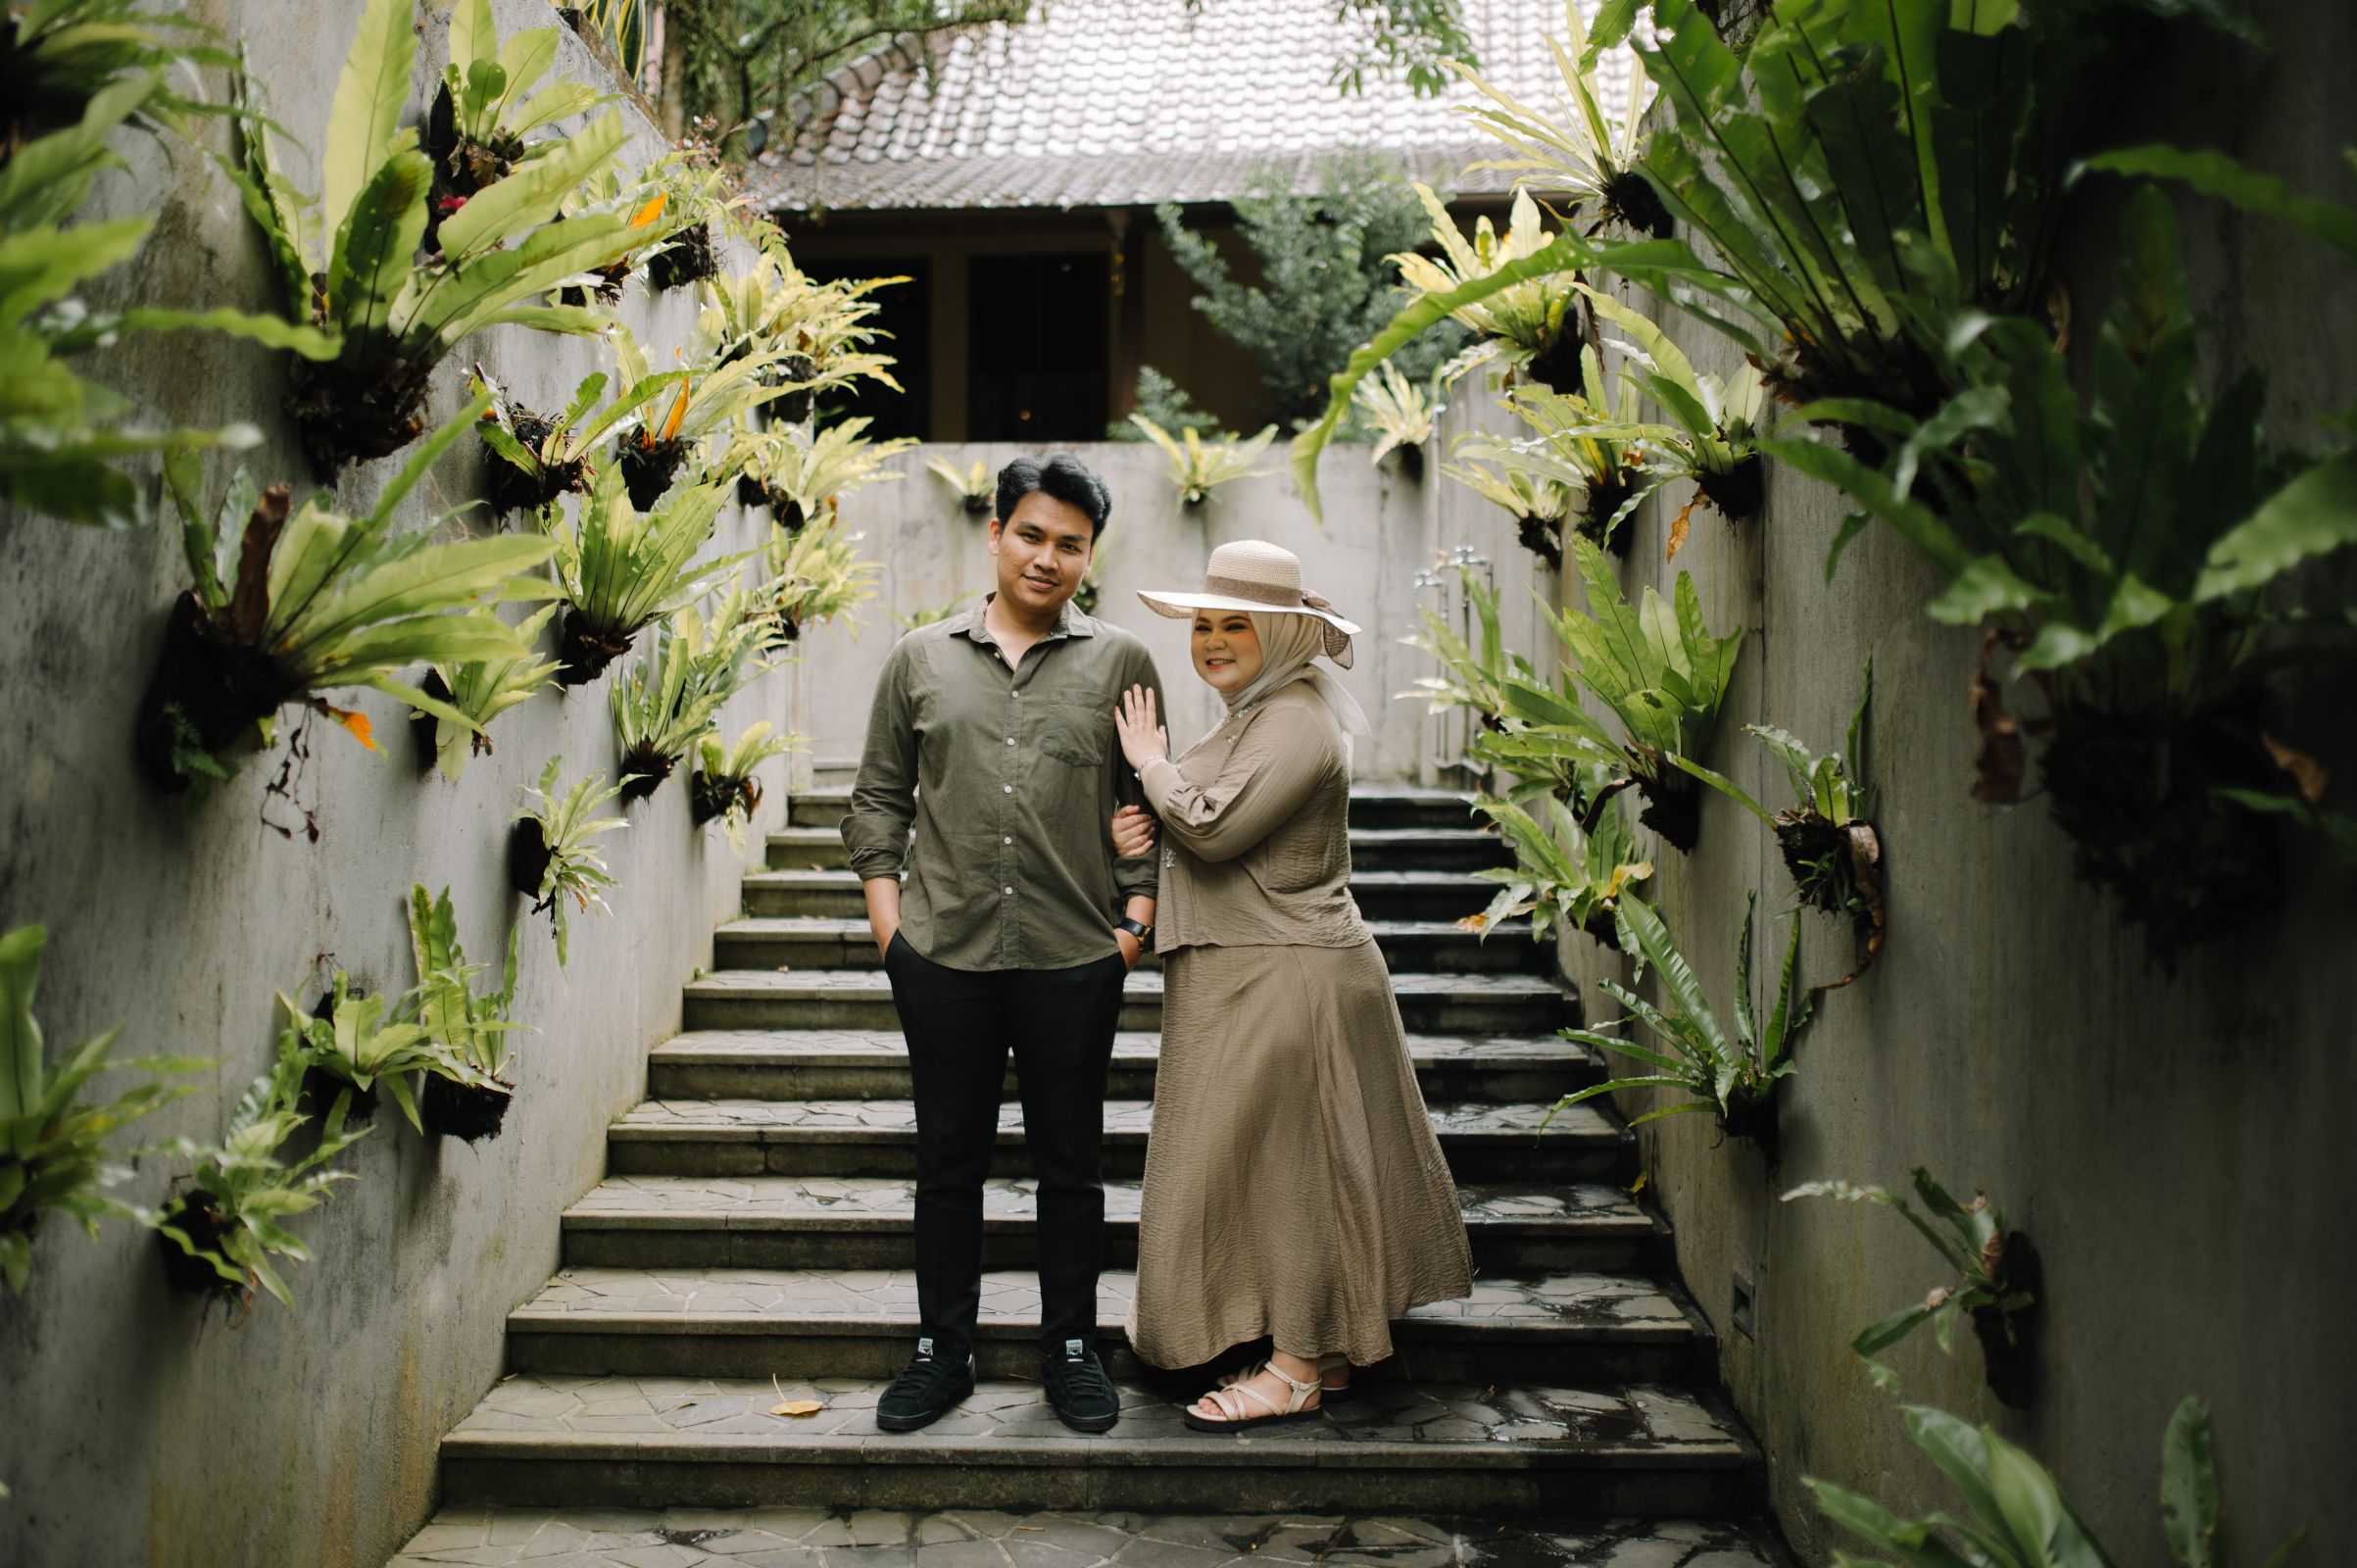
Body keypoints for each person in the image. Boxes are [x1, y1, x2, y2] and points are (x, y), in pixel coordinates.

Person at [1108, 538, 1473, 1432]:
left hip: (1287, 977)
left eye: (1236, 625)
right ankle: (1325, 1351)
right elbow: (1198, 823)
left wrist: (1149, 763)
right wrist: (1141, 829)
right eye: (1203, 624)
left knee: (1292, 1176)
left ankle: (1296, 1368)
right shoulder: (1257, 713)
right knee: (1289, 1171)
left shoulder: (1295, 718)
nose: (1212, 641)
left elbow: (1214, 828)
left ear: (1278, 633)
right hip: (1256, 969)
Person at [841, 454, 1163, 1436]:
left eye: (1070, 543)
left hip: (1075, 956)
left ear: (1089, 555)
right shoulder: (918, 660)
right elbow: (878, 799)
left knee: (1071, 1165)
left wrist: (1133, 926)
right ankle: (941, 1351)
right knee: (948, 1165)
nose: (1046, 557)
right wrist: (891, 931)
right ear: (994, 534)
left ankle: (1071, 1350)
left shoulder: (1121, 663)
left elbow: (1146, 801)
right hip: (944, 955)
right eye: (1030, 534)